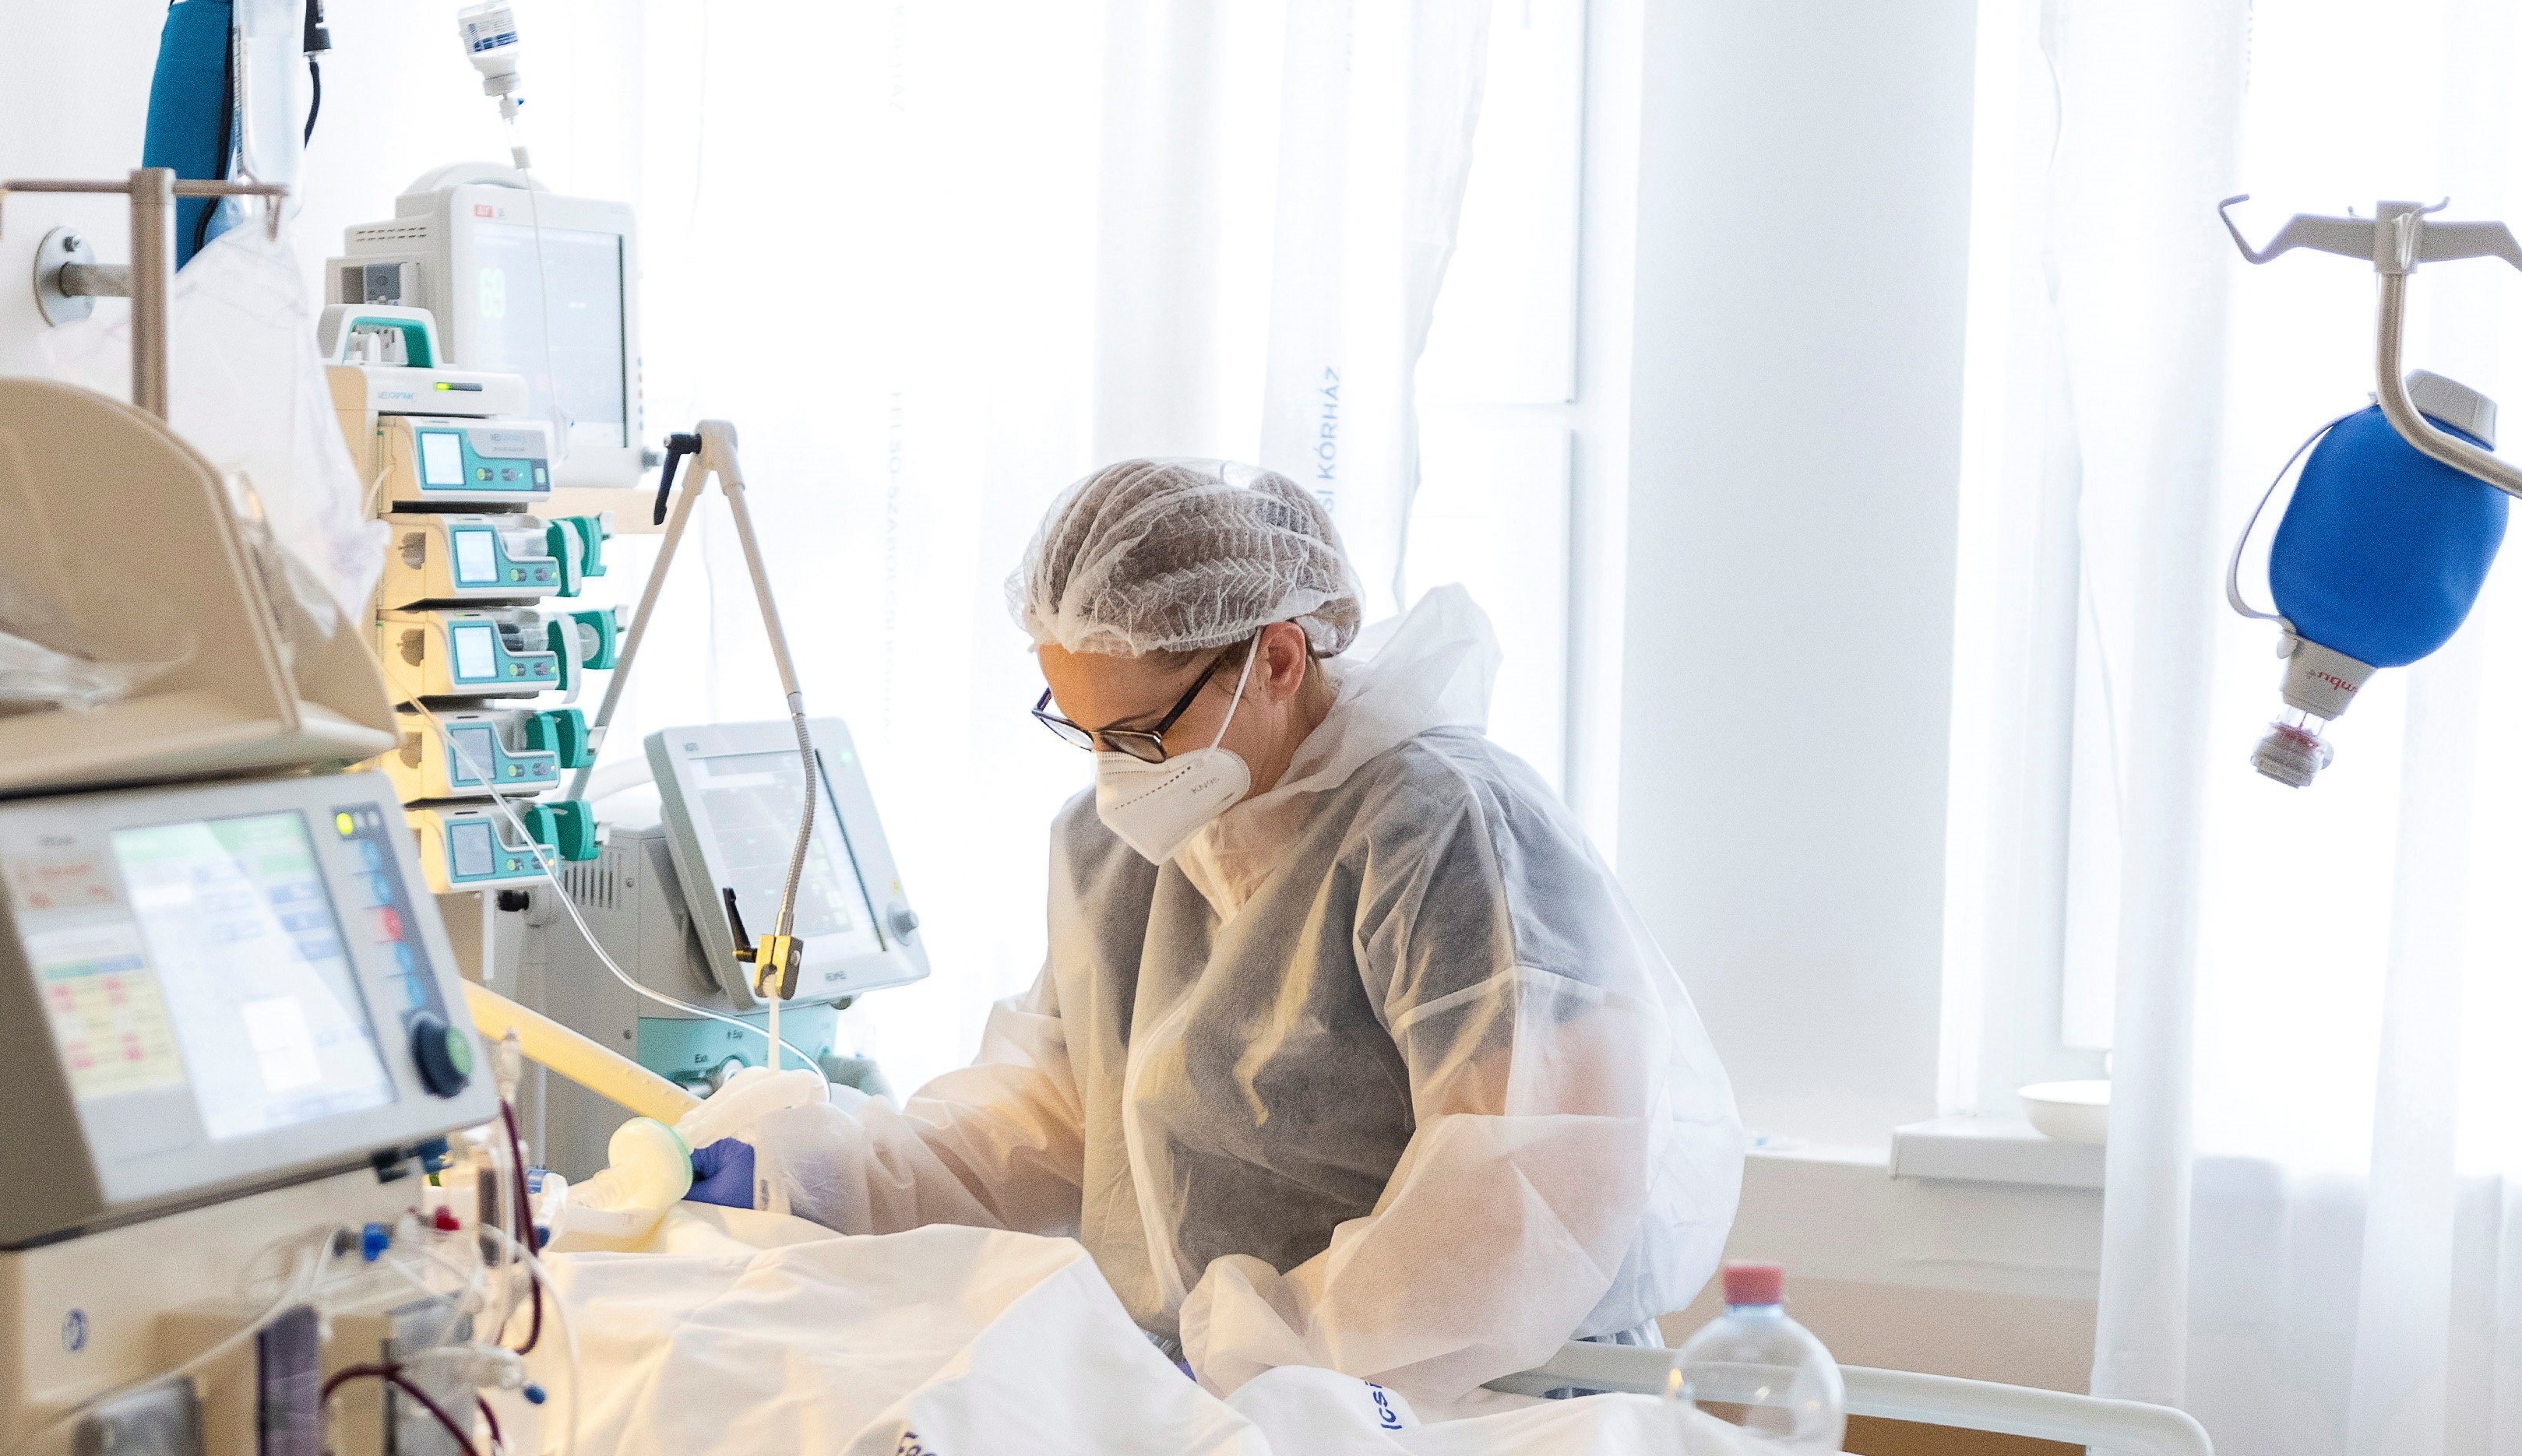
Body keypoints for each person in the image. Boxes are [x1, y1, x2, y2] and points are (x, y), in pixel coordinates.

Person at [678, 458, 1742, 1405]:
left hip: (1480, 1415)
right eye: (1080, 731)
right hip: (1232, 1411)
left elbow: (1529, 1196)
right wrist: (820, 1173)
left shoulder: (1445, 832)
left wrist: (1281, 1346)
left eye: (1140, 733)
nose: (1113, 775)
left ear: (1278, 659)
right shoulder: (1119, 857)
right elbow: (1048, 1122)